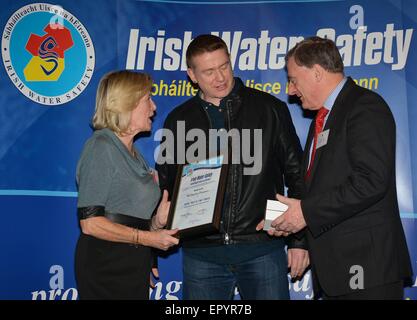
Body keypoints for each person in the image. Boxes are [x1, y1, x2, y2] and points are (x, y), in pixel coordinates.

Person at [156, 34, 309, 300]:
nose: (220, 77)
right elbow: (165, 189)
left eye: (224, 66)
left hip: (263, 249)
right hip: (201, 255)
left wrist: (299, 241)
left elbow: (297, 176)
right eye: (209, 71)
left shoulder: (270, 109)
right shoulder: (178, 119)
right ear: (192, 75)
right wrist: (150, 243)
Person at [271, 36, 413, 299]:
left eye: (293, 79)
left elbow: (370, 181)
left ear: (315, 72)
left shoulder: (364, 107)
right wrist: (290, 220)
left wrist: (305, 212)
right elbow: (323, 187)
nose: (290, 90)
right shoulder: (323, 118)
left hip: (367, 268)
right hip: (338, 269)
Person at [75, 70, 179, 300]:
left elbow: (130, 218)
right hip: (106, 265)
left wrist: (155, 223)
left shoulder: (134, 154)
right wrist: (148, 239)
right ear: (126, 103)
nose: (153, 108)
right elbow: (90, 223)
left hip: (133, 263)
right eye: (147, 100)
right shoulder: (101, 146)